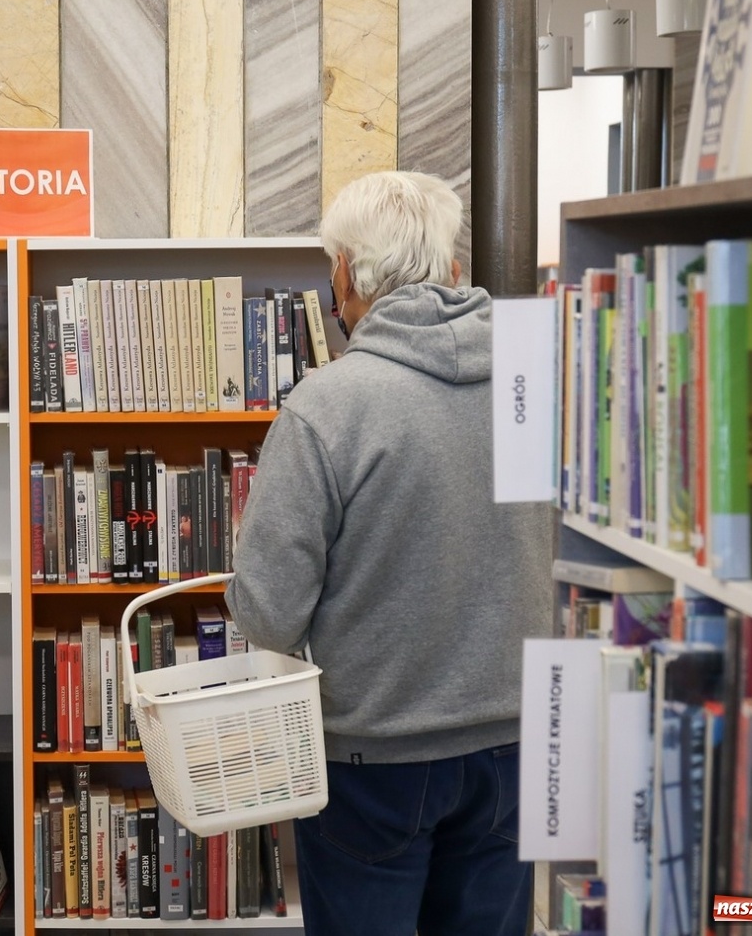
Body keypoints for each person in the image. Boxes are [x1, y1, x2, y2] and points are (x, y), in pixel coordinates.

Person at [224, 170, 551, 936]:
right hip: (519, 740)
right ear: (456, 272)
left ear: (344, 275)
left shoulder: (327, 405)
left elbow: (269, 616)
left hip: (375, 762)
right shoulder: (535, 383)